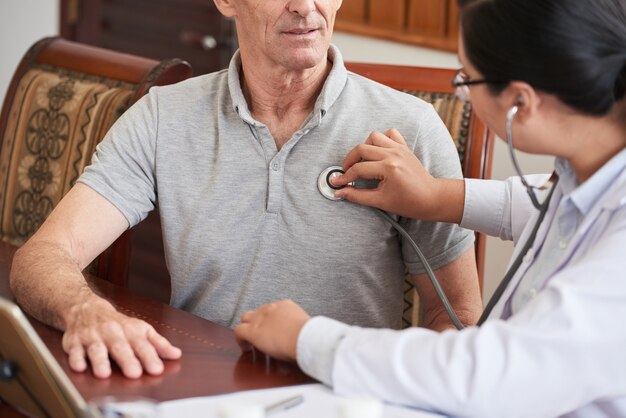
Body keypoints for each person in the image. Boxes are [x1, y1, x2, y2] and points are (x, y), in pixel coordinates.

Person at [8, 0, 482, 380]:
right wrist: (85, 310)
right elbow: (44, 254)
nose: (304, 6)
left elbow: (457, 317)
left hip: (343, 395)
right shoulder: (162, 117)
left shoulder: (411, 130)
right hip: (195, 392)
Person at [234, 0, 626, 416]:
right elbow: (536, 204)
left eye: (467, 79)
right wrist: (436, 195)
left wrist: (308, 339)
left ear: (520, 106)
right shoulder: (587, 174)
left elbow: (486, 374)